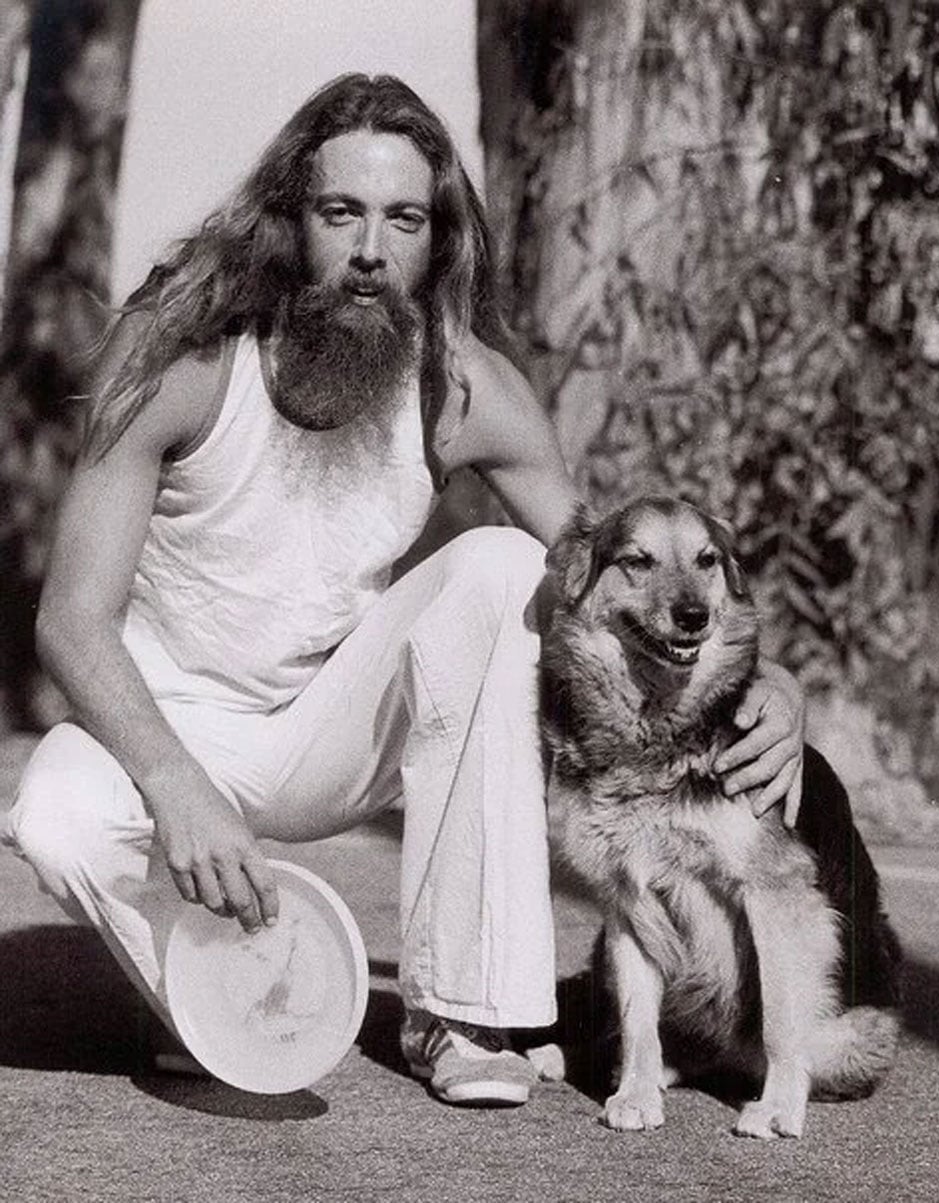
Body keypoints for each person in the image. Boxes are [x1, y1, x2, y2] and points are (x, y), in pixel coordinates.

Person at [2, 74, 804, 1108]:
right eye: (341, 213)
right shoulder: (182, 357)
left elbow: (603, 572)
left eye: (404, 219)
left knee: (503, 571)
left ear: (440, 239)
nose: (371, 250)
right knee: (55, 819)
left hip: (330, 732)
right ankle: (210, 987)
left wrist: (766, 682)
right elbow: (70, 621)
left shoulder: (463, 387)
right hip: (161, 721)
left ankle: (460, 1011)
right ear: (289, 220)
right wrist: (174, 782)